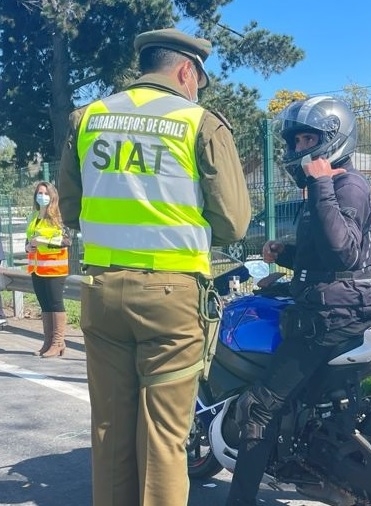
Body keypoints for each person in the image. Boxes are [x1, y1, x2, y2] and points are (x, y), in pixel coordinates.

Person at [58, 28, 251, 506]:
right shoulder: (199, 123)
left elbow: (70, 208)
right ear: (187, 70)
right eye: (197, 81)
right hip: (172, 298)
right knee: (164, 437)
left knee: (109, 427)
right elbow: (234, 222)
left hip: (102, 292)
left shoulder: (88, 119)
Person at [226, 96, 371, 506]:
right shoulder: (332, 186)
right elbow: (326, 257)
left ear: (334, 138)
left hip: (330, 316)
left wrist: (319, 184)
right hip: (341, 303)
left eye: (308, 139)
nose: (299, 149)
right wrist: (287, 252)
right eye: (296, 140)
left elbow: (344, 251)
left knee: (259, 408)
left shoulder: (345, 184)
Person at [25, 181, 71, 357]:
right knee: (44, 304)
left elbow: (67, 241)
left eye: (45, 193)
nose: (41, 196)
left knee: (55, 303)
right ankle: (48, 341)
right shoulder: (34, 216)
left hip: (54, 269)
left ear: (52, 196)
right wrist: (28, 247)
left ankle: (58, 342)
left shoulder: (58, 216)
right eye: (39, 193)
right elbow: (28, 239)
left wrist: (43, 242)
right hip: (37, 268)